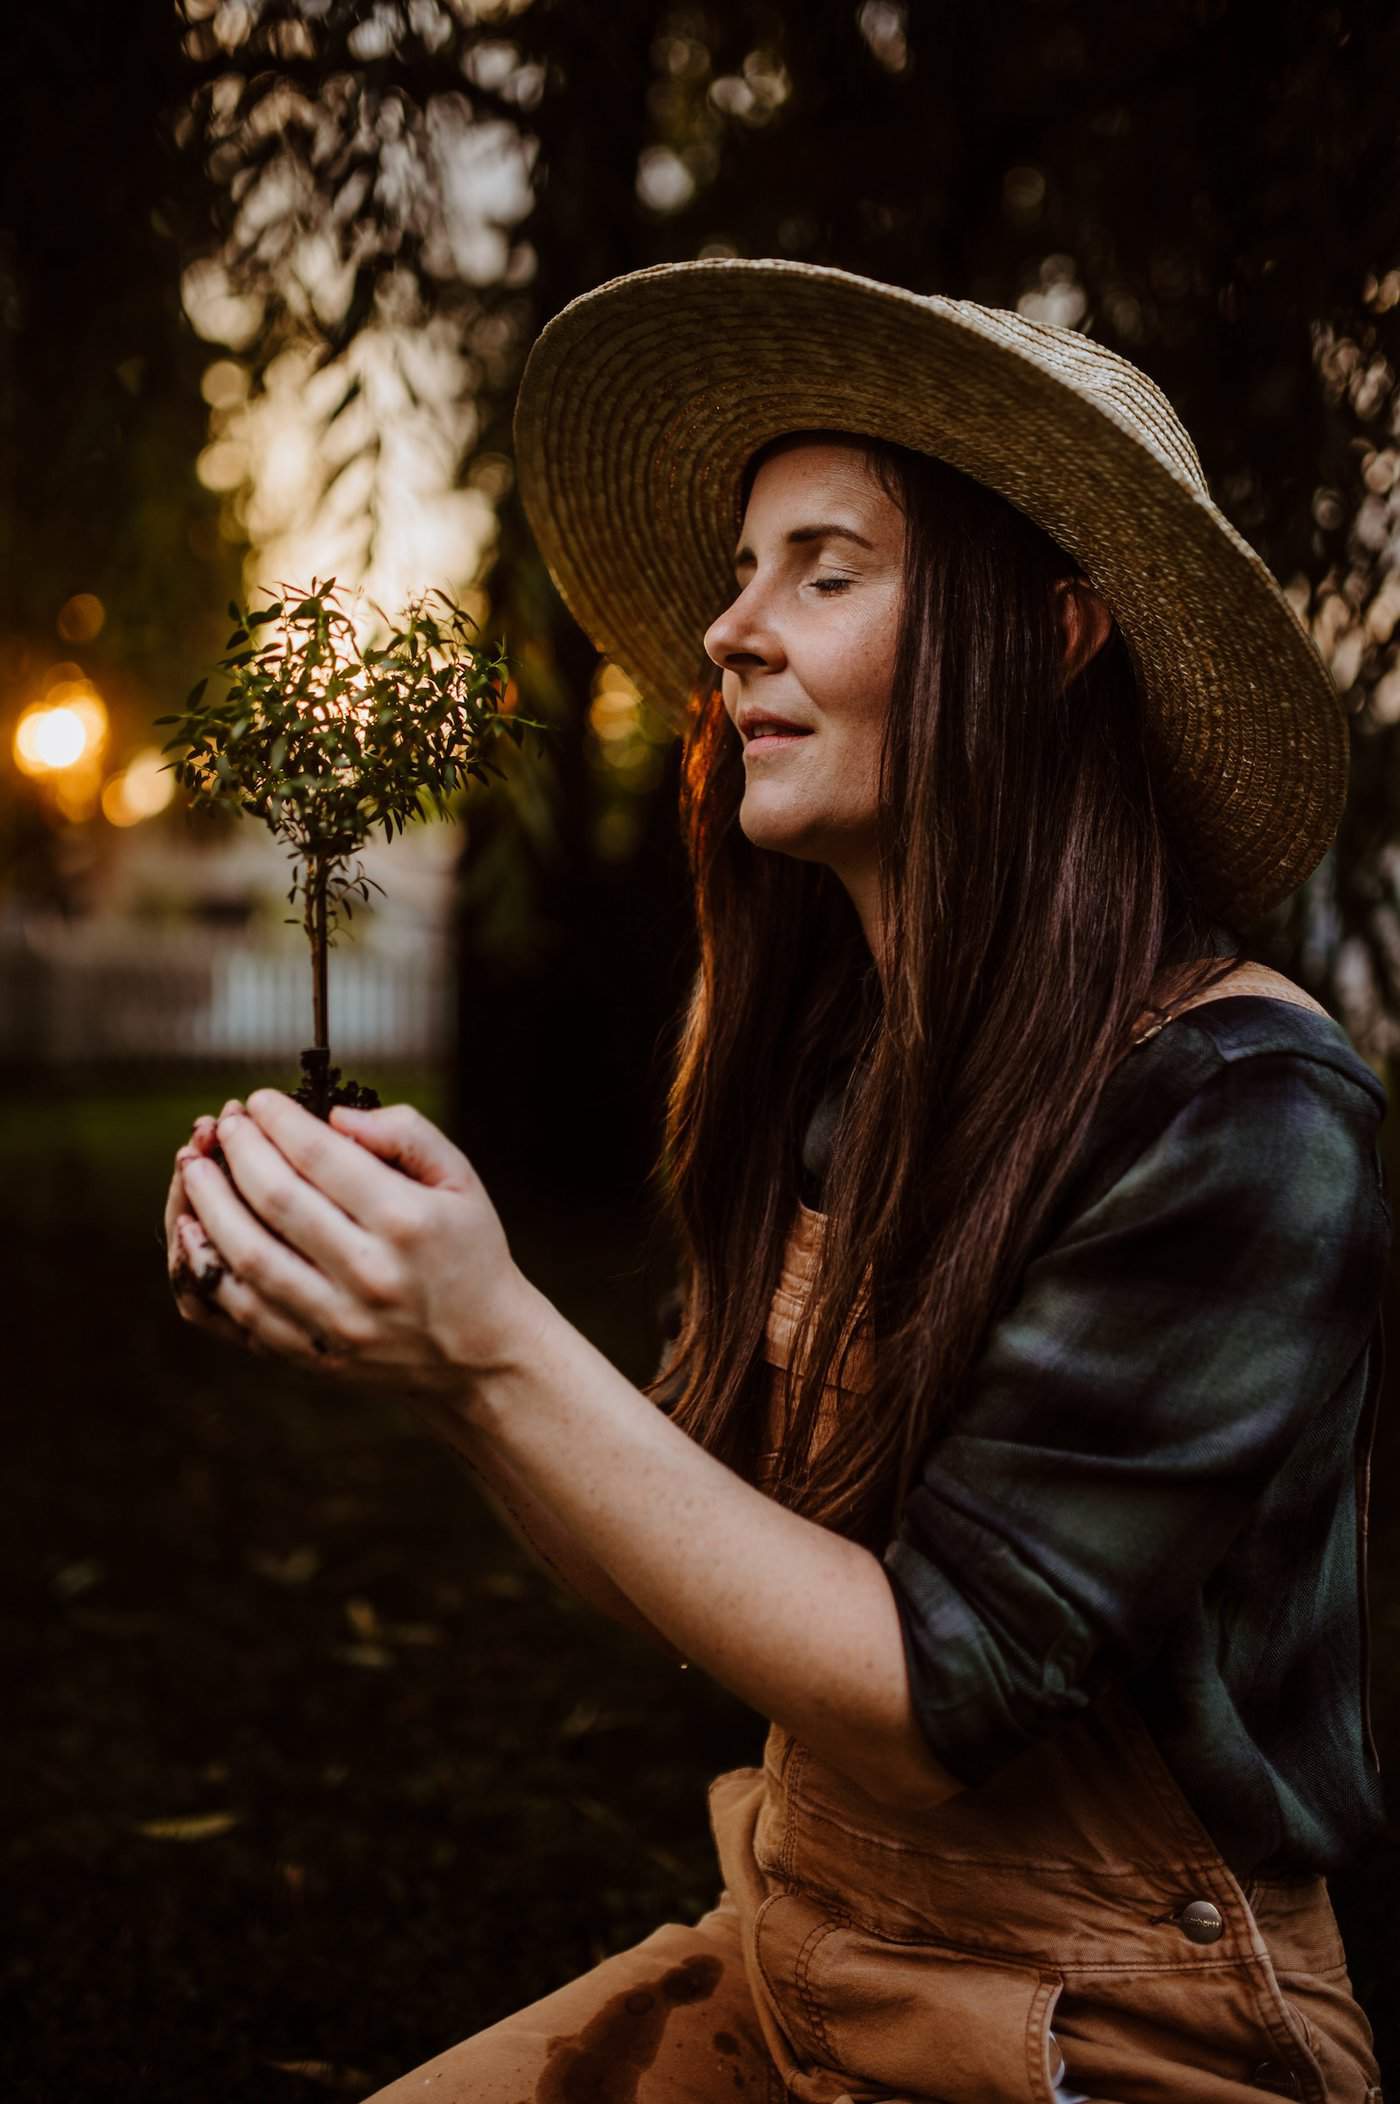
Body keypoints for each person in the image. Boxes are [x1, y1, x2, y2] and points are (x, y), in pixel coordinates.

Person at [165, 260, 1390, 2103]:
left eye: (825, 571)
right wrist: (418, 1347)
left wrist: (498, 1341)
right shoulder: (849, 1072)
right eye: (744, 573)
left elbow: (924, 1705)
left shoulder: (1245, 1112)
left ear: (1049, 640)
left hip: (1119, 2034)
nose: (730, 631)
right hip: (798, 1952)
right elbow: (708, 1548)